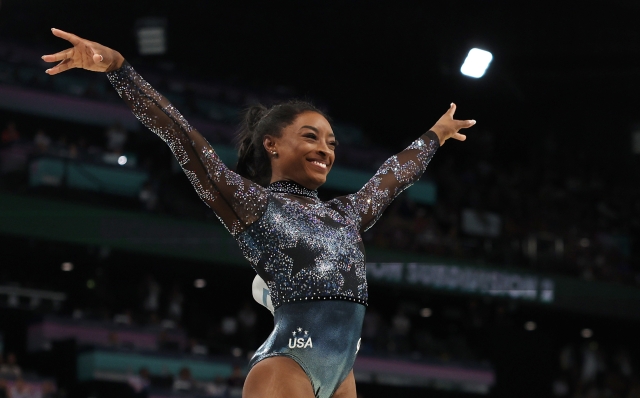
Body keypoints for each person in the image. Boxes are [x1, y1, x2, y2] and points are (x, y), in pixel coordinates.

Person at [42, 28, 475, 398]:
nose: (325, 149)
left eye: (331, 143)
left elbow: (392, 177)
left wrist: (435, 135)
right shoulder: (254, 205)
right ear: (272, 144)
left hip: (342, 373)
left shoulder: (346, 213)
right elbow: (184, 139)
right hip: (287, 367)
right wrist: (119, 69)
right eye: (311, 137)